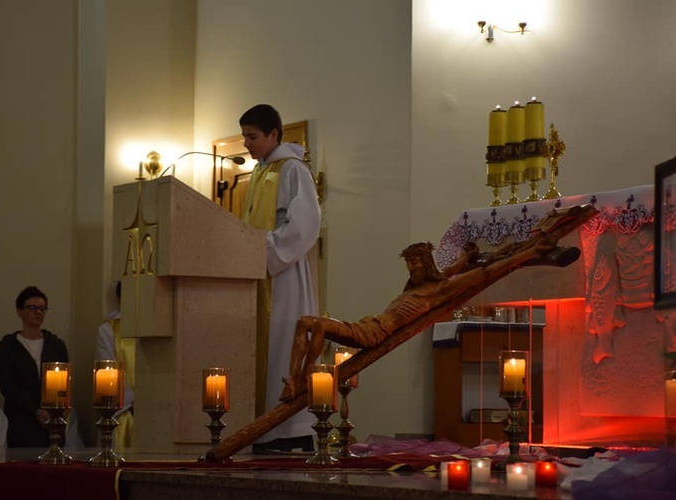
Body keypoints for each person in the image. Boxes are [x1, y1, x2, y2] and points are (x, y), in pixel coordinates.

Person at [279, 207, 589, 401]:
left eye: (415, 264)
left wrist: (528, 254)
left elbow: (486, 272)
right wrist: (465, 258)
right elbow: (448, 272)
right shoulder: (421, 284)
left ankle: (304, 381)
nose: (411, 270)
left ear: (425, 265)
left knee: (316, 323)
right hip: (367, 324)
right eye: (409, 265)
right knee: (305, 322)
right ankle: (297, 379)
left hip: (372, 334)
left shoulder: (438, 291)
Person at [240, 104, 321, 452]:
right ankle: (263, 427)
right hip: (257, 273)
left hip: (283, 275)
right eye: (244, 136)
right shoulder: (259, 173)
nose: (246, 144)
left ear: (274, 135)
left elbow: (305, 225)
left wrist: (264, 250)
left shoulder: (292, 170)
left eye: (252, 136)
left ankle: (287, 430)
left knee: (282, 344)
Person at [0, 286, 69, 447]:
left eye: (42, 308)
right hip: (21, 420)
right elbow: (7, 385)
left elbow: (64, 383)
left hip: (52, 420)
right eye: (32, 308)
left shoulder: (56, 345)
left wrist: (49, 412)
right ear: (20, 311)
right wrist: (35, 409)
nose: (38, 312)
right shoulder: (8, 346)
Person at [95, 281, 134, 447]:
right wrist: (135, 402)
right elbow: (107, 372)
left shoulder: (156, 328)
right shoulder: (109, 330)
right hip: (124, 411)